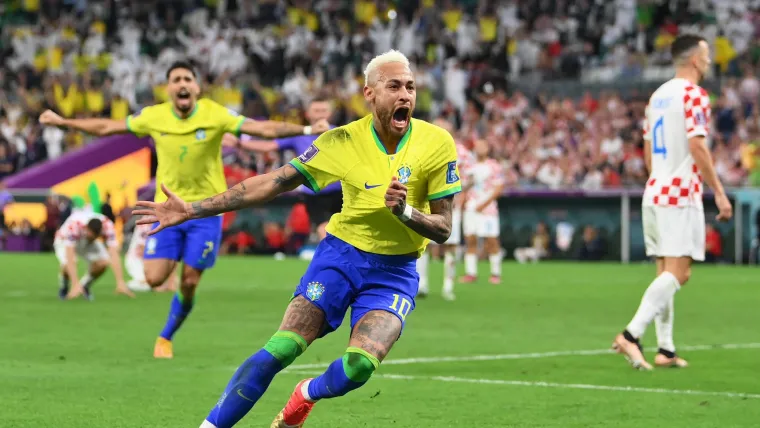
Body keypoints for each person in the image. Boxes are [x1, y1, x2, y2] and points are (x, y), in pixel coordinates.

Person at [134, 50, 461, 428]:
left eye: (410, 86)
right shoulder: (341, 141)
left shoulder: (436, 143)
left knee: (359, 367)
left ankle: (306, 394)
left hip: (395, 270)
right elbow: (271, 183)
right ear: (370, 94)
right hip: (341, 257)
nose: (405, 95)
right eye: (394, 86)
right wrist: (192, 209)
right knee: (282, 347)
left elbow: (444, 227)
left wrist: (404, 212)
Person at [39, 60, 330, 359]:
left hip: (204, 210)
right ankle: (178, 254)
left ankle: (165, 336)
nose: (182, 84)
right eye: (176, 79)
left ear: (196, 87)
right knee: (153, 279)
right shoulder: (154, 116)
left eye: (188, 79)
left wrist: (306, 128)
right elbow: (107, 126)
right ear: (168, 89)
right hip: (167, 210)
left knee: (189, 282)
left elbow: (261, 128)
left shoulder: (214, 113)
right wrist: (65, 123)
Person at [613, 35, 732, 370]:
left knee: (666, 272)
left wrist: (660, 179)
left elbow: (649, 151)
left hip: (656, 190)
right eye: (706, 56)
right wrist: (720, 193)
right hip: (680, 194)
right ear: (695, 60)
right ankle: (631, 334)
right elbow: (697, 146)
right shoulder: (694, 95)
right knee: (679, 274)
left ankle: (665, 349)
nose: (709, 62)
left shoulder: (658, 96)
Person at [223, 96, 342, 239]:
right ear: (307, 114)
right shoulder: (299, 134)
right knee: (324, 229)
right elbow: (269, 146)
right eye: (316, 110)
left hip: (340, 192)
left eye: (323, 110)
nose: (320, 114)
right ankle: (332, 257)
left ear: (330, 113)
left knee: (346, 231)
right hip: (314, 193)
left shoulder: (341, 133)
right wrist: (240, 144)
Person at [416, 118, 473, 300]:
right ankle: (422, 284)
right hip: (425, 203)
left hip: (449, 204)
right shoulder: (422, 148)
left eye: (444, 129)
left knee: (451, 245)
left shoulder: (461, 152)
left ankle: (448, 286)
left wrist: (460, 195)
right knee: (423, 244)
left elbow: (470, 177)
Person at [54, 211, 132, 300]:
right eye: (91, 235)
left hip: (86, 241)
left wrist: (120, 281)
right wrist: (75, 283)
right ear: (86, 228)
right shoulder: (74, 225)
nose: (93, 237)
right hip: (63, 240)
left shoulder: (108, 225)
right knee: (68, 264)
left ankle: (84, 286)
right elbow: (70, 255)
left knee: (103, 262)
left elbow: (114, 253)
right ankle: (64, 287)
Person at [459, 138, 506, 285]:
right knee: (470, 240)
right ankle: (471, 273)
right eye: (477, 145)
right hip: (471, 208)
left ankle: (495, 273)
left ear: (488, 148)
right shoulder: (468, 166)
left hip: (488, 209)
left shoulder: (493, 166)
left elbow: (499, 188)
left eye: (483, 145)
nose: (480, 148)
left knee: (491, 241)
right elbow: (463, 186)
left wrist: (484, 204)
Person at [125, 222, 178, 292]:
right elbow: (142, 249)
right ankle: (131, 284)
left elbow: (171, 251)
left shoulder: (167, 223)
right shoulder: (144, 224)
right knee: (149, 283)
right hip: (136, 260)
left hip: (154, 257)